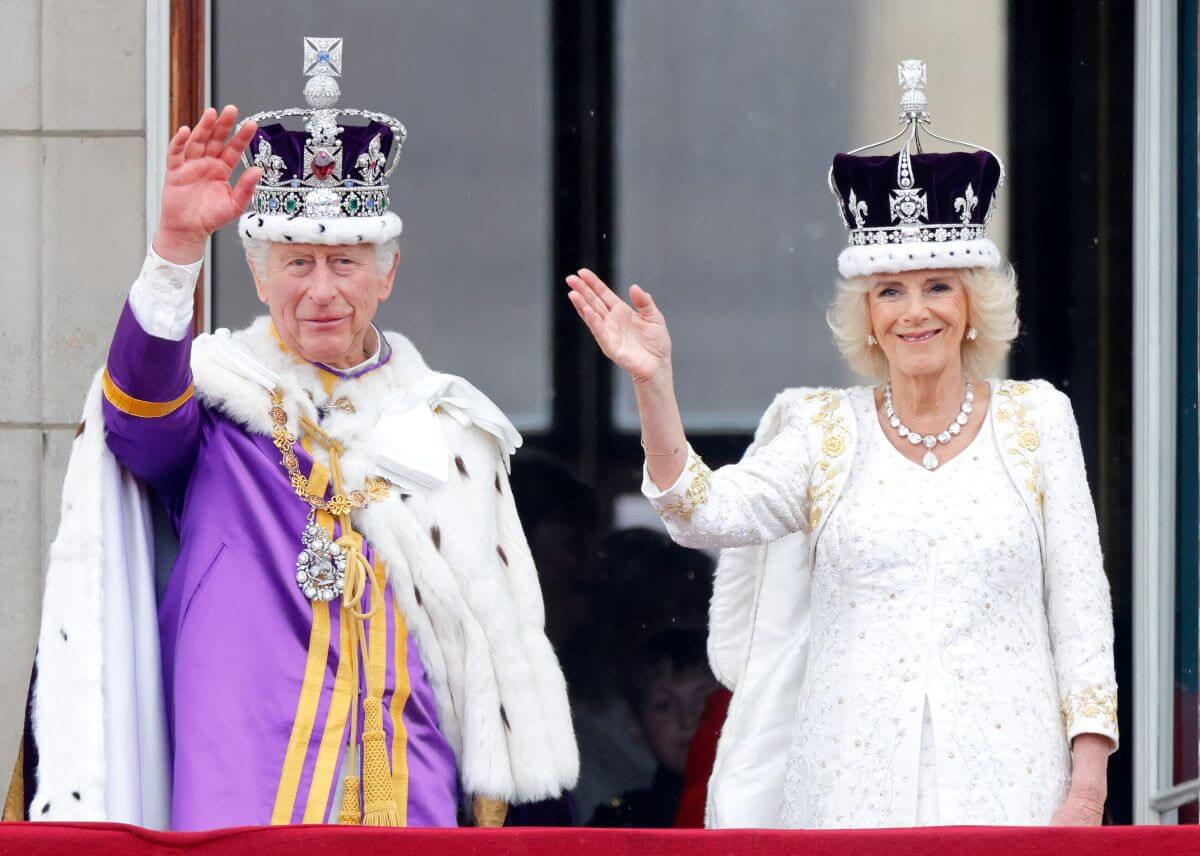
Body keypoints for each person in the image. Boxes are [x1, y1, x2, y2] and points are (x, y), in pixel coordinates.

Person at [12, 37, 577, 830]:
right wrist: (175, 251)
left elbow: (489, 645)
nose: (320, 291)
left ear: (388, 273)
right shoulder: (216, 403)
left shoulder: (449, 426)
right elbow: (136, 417)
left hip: (405, 784)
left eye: (345, 263)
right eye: (296, 262)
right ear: (257, 272)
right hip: (243, 784)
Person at [566, 60, 1117, 829]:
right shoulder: (823, 430)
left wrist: (1085, 788)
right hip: (848, 795)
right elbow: (701, 514)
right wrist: (654, 383)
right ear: (865, 313)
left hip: (1013, 790)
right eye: (889, 290)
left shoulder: (1037, 421)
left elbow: (1081, 615)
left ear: (972, 304)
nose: (913, 311)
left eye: (936, 286)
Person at [588, 629, 718, 828]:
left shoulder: (767, 803)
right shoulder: (621, 824)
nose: (688, 720)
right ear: (636, 726)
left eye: (703, 700)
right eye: (664, 706)